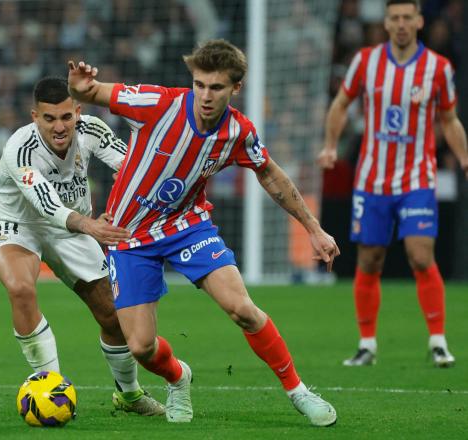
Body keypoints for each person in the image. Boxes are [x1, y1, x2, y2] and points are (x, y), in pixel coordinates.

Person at [68, 40, 340, 426]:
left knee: (243, 309)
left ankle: (299, 392)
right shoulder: (157, 103)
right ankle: (179, 378)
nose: (206, 96)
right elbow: (88, 91)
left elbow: (270, 174)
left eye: (216, 88)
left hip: (187, 226)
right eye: (200, 85)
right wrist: (79, 84)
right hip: (128, 236)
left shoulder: (238, 131)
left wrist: (313, 229)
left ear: (235, 89)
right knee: (142, 347)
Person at [0, 76, 165, 416]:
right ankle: (50, 385)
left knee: (113, 316)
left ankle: (129, 396)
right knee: (21, 288)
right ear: (34, 116)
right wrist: (92, 227)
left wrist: (131, 178)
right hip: (17, 224)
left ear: (78, 112)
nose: (59, 126)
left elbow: (133, 165)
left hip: (72, 228)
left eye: (66, 117)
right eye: (49, 118)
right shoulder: (18, 149)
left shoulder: (92, 130)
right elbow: (47, 206)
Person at [318, 0, 468, 368]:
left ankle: (437, 340)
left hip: (417, 177)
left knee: (420, 255)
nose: (401, 24)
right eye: (394, 18)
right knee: (369, 260)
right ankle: (367, 344)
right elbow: (340, 104)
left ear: (419, 21)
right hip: (371, 180)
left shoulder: (438, 68)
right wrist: (330, 146)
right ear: (385, 23)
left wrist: (465, 157)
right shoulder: (366, 62)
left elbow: (449, 119)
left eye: (407, 17)